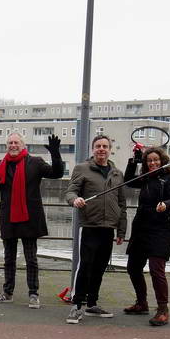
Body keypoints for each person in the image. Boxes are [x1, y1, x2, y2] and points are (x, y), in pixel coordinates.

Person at [0, 133, 64, 309]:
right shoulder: (1, 165)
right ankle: (7, 293)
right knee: (9, 258)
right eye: (10, 143)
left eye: (16, 142)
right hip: (9, 218)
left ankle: (34, 294)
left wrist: (55, 153)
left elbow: (57, 173)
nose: (13, 145)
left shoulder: (35, 162)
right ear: (7, 146)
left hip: (29, 217)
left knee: (31, 259)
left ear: (23, 145)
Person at [64, 135, 127, 324]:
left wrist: (121, 231)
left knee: (99, 268)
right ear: (93, 149)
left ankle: (92, 303)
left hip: (108, 228)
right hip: (90, 226)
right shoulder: (82, 169)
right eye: (98, 146)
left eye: (105, 146)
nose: (101, 149)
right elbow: (70, 191)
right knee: (85, 266)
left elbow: (122, 203)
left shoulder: (117, 173)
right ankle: (76, 306)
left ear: (110, 149)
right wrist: (74, 200)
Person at [123, 146, 170, 326]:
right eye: (149, 161)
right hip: (141, 227)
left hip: (161, 229)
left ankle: (163, 310)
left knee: (157, 270)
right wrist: (134, 160)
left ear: (162, 160)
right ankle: (141, 303)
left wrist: (166, 204)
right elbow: (128, 181)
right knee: (133, 267)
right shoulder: (145, 178)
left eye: (156, 160)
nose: (152, 163)